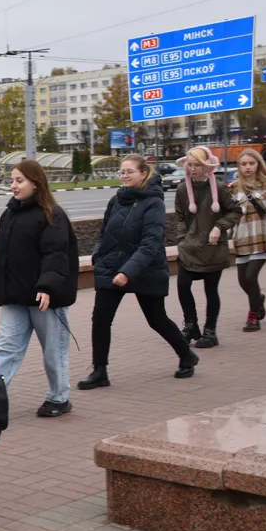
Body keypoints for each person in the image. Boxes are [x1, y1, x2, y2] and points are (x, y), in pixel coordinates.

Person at [79, 154, 199, 390]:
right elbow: (103, 233)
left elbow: (150, 243)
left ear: (143, 174)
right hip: (111, 268)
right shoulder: (116, 200)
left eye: (129, 171)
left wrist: (128, 271)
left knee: (156, 319)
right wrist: (98, 255)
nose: (124, 176)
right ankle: (100, 371)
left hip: (145, 269)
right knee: (101, 319)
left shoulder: (153, 202)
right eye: (122, 172)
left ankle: (186, 354)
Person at [0, 160, 79, 418]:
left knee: (53, 351)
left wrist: (47, 286)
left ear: (36, 183)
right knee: (6, 349)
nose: (13, 185)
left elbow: (56, 254)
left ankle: (59, 398)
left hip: (45, 299)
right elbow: (0, 254)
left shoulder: (53, 214)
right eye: (12, 180)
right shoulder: (9, 214)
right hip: (15, 297)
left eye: (19, 180)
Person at [173, 146, 241, 349]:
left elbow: (236, 211)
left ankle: (210, 332)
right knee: (183, 285)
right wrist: (182, 239)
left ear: (207, 166)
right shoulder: (182, 189)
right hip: (189, 248)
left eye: (197, 165)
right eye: (189, 165)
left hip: (213, 248)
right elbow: (180, 216)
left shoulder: (219, 188)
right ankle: (191, 325)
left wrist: (219, 227)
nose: (192, 169)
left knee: (211, 290)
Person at [231, 148, 266, 332]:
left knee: (250, 277)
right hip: (241, 239)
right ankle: (258, 299)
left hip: (261, 237)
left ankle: (253, 316)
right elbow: (231, 215)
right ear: (239, 167)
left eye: (251, 163)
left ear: (258, 164)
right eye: (243, 164)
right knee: (243, 281)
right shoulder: (234, 187)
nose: (247, 167)